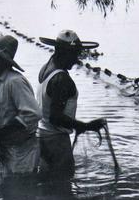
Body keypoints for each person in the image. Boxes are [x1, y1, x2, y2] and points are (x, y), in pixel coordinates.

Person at [36, 29, 107, 175]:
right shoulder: (61, 79)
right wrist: (85, 126)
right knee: (64, 185)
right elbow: (55, 117)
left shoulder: (46, 67)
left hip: (41, 137)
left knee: (48, 185)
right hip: (56, 142)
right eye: (74, 54)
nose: (76, 59)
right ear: (62, 52)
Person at [0, 32, 40, 176]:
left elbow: (33, 114)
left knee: (22, 189)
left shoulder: (15, 82)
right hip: (4, 149)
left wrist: (4, 130)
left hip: (22, 153)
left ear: (0, 59)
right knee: (7, 189)